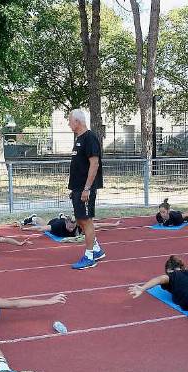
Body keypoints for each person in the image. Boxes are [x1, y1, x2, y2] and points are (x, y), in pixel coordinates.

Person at [67, 109, 105, 270]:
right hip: (77, 187)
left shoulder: (90, 138)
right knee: (80, 219)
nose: (68, 123)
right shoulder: (78, 139)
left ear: (78, 121)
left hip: (86, 189)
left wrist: (87, 189)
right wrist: (75, 188)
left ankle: (89, 257)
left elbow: (94, 164)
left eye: (70, 120)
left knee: (87, 221)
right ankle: (96, 249)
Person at [13, 213, 121, 240]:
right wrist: (25, 229)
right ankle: (32, 218)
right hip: (54, 223)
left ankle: (62, 215)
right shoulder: (58, 225)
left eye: (72, 227)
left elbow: (97, 225)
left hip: (63, 220)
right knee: (41, 223)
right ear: (66, 223)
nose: (71, 229)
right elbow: (40, 229)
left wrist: (114, 225)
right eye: (69, 227)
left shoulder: (79, 226)